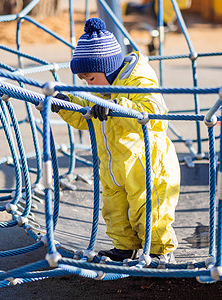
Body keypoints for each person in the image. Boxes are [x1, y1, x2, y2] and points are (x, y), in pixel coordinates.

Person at [52, 17, 180, 263]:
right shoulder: (101, 91)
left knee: (149, 208)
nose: (88, 85)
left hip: (147, 166)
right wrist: (65, 104)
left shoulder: (139, 81)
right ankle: (124, 247)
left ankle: (159, 251)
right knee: (114, 209)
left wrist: (117, 105)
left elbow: (155, 115)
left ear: (107, 68)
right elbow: (85, 117)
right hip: (112, 165)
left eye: (90, 78)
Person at [123, 0, 192, 30]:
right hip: (160, 12)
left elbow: (186, 4)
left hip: (158, 12)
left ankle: (125, 8)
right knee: (139, 8)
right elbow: (186, 4)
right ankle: (125, 8)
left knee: (137, 8)